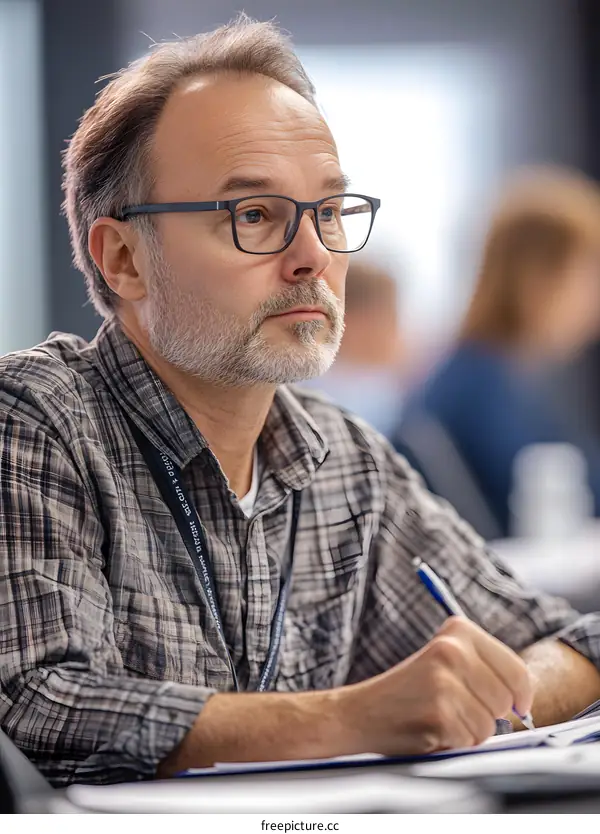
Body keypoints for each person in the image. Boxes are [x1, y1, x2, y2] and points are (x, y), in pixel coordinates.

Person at [1, 18, 600, 788]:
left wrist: (487, 694)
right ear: (124, 259)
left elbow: (570, 643)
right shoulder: (38, 419)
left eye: (329, 212)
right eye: (254, 216)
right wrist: (350, 717)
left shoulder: (344, 460)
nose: (313, 256)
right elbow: (37, 703)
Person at [396, 167, 600, 537]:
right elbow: (565, 489)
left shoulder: (496, 373)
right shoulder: (481, 386)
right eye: (587, 277)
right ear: (538, 278)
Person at [303, 258, 405, 438]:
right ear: (352, 320)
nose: (396, 330)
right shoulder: (319, 396)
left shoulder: (383, 388)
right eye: (389, 316)